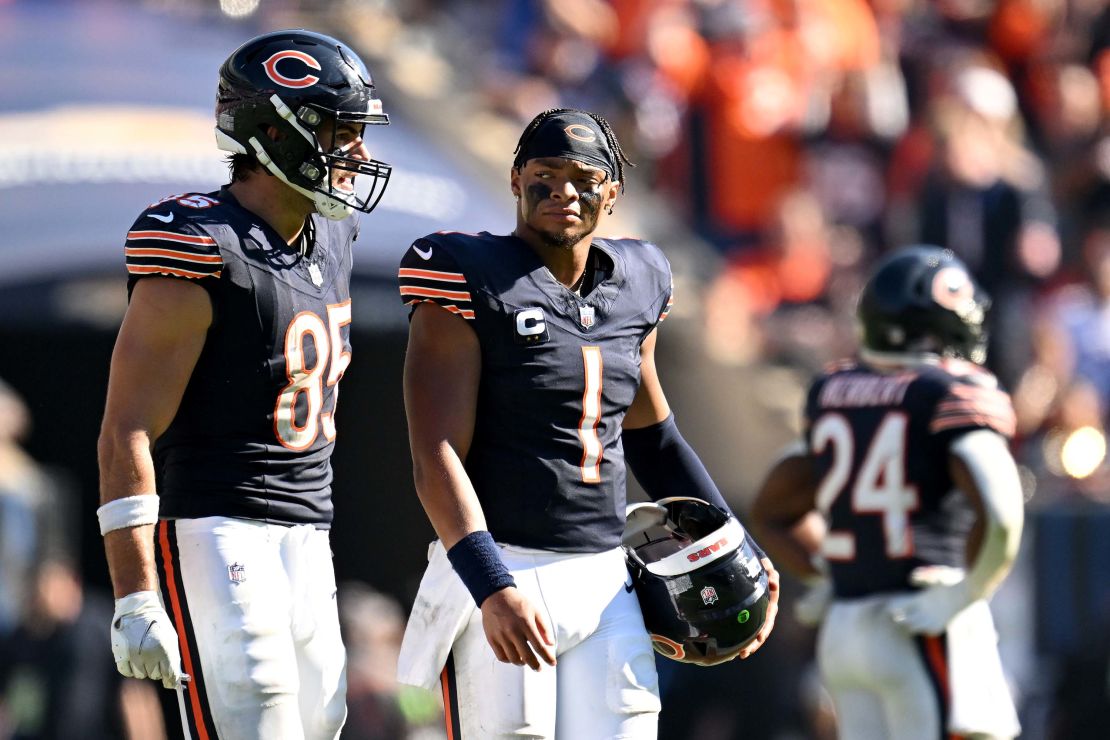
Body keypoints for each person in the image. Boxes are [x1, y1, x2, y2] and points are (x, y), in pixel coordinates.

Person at [394, 108, 779, 739]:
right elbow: (435, 452)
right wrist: (490, 585)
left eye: (584, 176)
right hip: (508, 564)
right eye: (546, 174)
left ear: (613, 192)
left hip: (606, 577)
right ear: (516, 179)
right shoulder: (467, 274)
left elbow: (653, 437)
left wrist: (739, 543)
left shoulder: (639, 281)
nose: (564, 191)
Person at [96, 29, 392, 740]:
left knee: (321, 722)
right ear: (273, 133)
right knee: (257, 718)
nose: (355, 153)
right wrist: (135, 594)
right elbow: (126, 428)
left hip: (309, 529)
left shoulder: (334, 236)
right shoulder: (200, 243)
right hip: (217, 526)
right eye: (338, 131)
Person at [750, 245, 1024, 740]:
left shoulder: (834, 391)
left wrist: (832, 572)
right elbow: (1003, 512)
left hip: (846, 627)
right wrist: (967, 591)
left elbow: (771, 508)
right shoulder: (948, 391)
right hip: (921, 617)